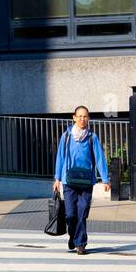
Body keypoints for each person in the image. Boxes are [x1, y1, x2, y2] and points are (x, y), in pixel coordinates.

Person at [52, 105, 110, 255]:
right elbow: (60, 157)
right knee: (71, 214)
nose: (82, 119)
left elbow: (99, 158)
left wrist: (105, 179)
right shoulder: (66, 137)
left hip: (86, 181)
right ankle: (74, 235)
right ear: (74, 117)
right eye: (80, 116)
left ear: (88, 118)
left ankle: (80, 244)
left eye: (85, 116)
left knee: (82, 213)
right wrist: (57, 178)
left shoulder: (92, 137)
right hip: (68, 181)